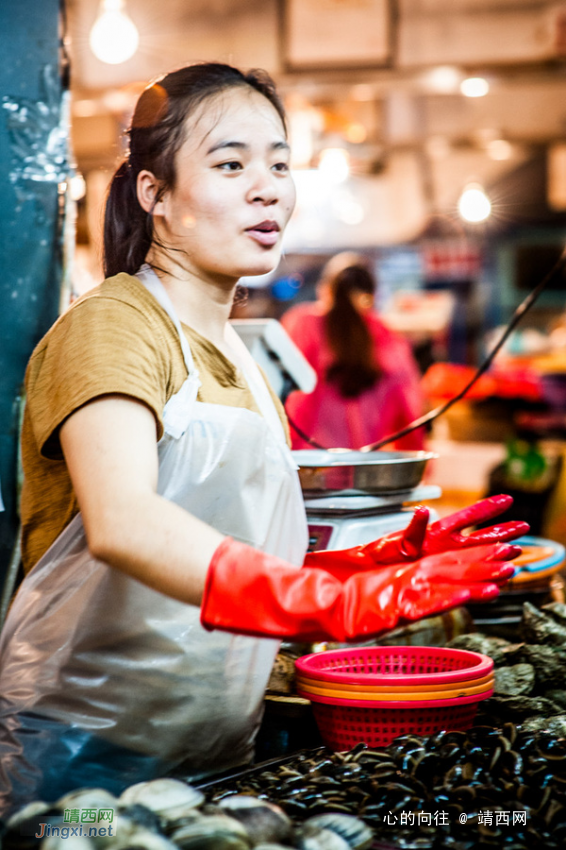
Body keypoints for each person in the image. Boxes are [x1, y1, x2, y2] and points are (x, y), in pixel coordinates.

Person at [0, 62, 528, 816]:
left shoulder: (247, 364)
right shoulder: (113, 325)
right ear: (156, 194)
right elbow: (124, 524)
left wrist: (368, 563)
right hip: (81, 772)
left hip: (214, 758)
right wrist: (328, 602)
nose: (267, 186)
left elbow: (237, 547)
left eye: (280, 163)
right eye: (231, 163)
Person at [281, 253, 425, 450]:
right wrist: (414, 456)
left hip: (311, 462)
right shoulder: (387, 336)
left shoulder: (302, 323)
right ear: (372, 295)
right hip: (365, 463)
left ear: (325, 289)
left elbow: (290, 397)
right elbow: (408, 408)